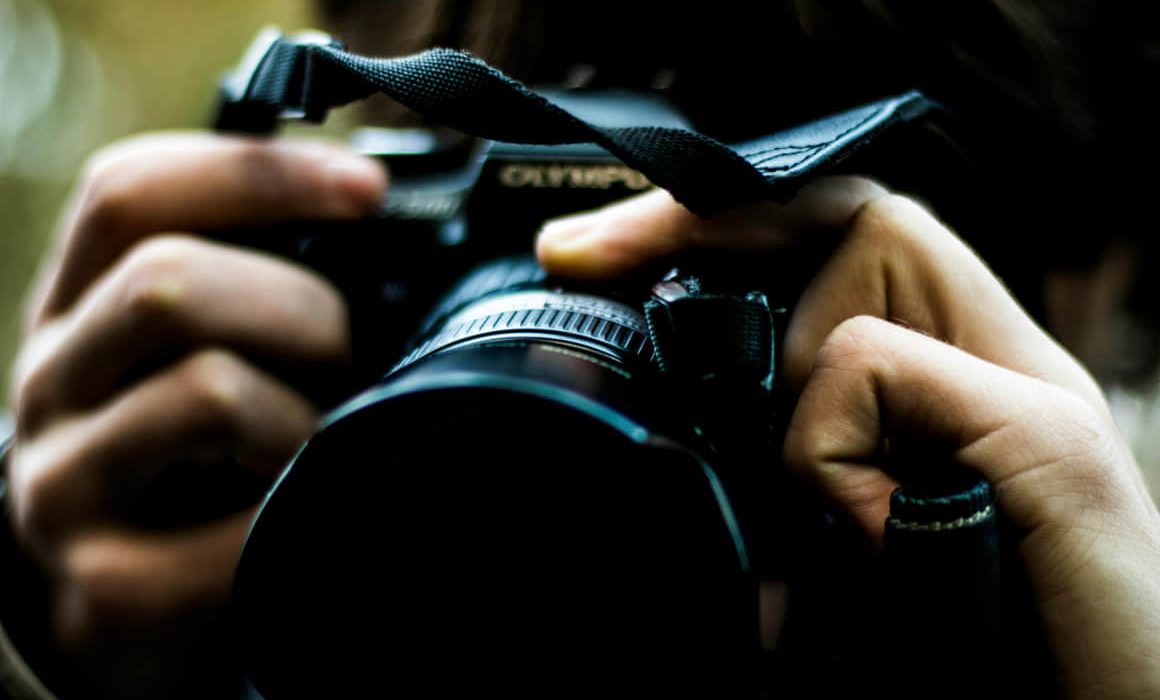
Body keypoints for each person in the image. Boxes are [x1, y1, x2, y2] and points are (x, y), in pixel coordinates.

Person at [2, 1, 1160, 697]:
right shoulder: (280, 600)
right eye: (490, 177)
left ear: (1118, 292)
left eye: (797, 275)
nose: (559, 517)